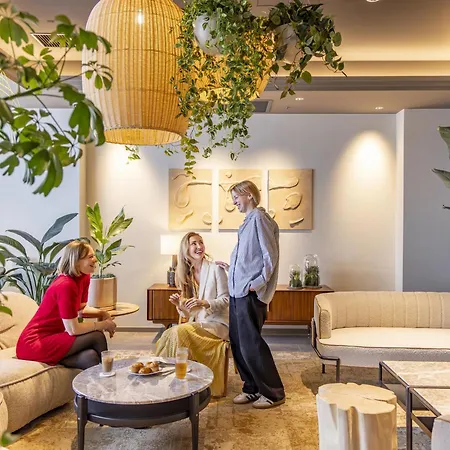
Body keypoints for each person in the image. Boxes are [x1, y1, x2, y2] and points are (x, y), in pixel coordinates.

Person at [217, 180, 285, 409]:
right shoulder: (246, 222)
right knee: (238, 343)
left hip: (249, 294)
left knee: (252, 344)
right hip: (237, 292)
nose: (234, 202)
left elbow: (270, 256)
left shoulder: (260, 218)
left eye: (236, 197)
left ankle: (274, 393)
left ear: (248, 195)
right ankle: (252, 388)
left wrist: (256, 283)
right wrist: (232, 270)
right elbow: (249, 259)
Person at [16, 240, 117, 369]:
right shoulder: (65, 285)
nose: (95, 259)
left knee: (90, 357)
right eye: (90, 257)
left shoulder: (84, 277)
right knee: (97, 336)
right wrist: (103, 325)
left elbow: (81, 310)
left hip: (54, 337)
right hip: (33, 343)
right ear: (76, 261)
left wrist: (102, 313)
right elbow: (73, 329)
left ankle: (98, 378)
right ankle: (109, 374)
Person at [155, 232, 229, 397]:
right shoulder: (185, 274)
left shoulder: (216, 268)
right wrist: (179, 305)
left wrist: (204, 303)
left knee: (178, 331)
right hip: (197, 324)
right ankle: (170, 380)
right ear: (185, 249)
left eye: (201, 242)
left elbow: (226, 300)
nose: (199, 246)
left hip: (217, 325)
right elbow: (189, 313)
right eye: (194, 243)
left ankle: (168, 380)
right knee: (168, 334)